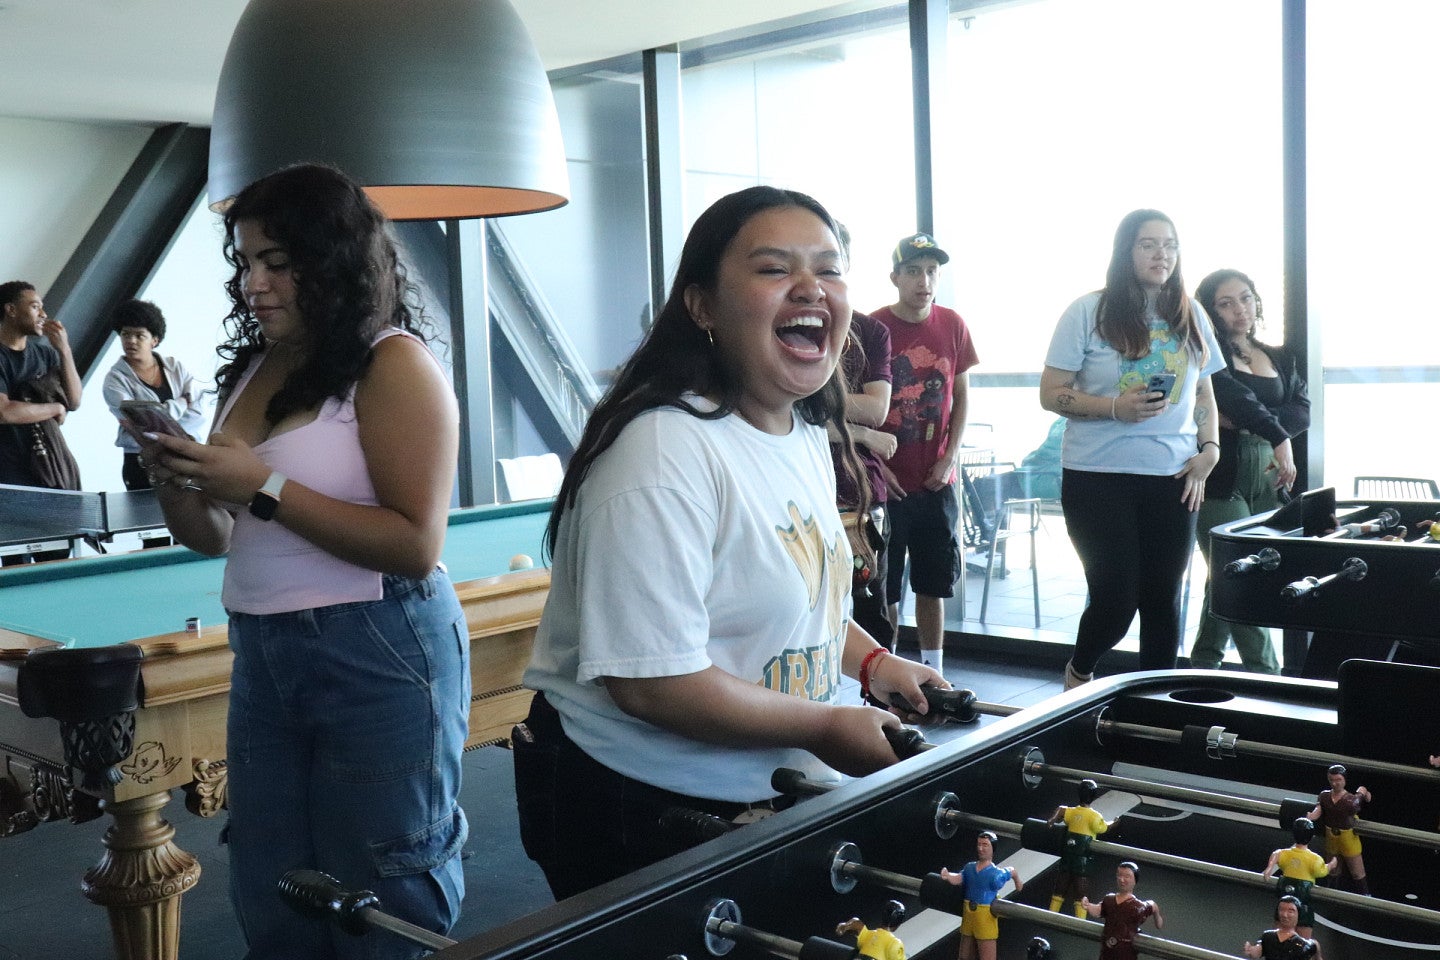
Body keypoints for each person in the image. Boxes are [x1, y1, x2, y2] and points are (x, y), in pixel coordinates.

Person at [513, 186, 947, 901]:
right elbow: (654, 682)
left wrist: (873, 663)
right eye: (774, 268)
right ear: (703, 306)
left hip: (773, 784)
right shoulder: (661, 453)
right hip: (644, 806)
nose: (811, 286)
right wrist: (827, 725)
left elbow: (797, 597)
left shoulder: (800, 430)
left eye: (829, 269)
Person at [136, 163, 469, 959]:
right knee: (273, 880)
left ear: (332, 260)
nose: (254, 282)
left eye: (277, 262)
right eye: (246, 261)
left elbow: (416, 545)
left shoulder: (394, 363)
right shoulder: (255, 366)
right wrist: (176, 481)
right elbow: (217, 534)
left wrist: (263, 484)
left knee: (384, 889)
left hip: (375, 644)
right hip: (263, 649)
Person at [1039, 209, 1224, 689]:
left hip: (1176, 475)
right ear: (1126, 251)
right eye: (1148, 244)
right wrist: (1113, 408)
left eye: (1169, 244)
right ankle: (1079, 673)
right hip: (1097, 476)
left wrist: (1210, 449)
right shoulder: (1088, 311)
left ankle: (1155, 705)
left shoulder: (1190, 312)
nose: (1161, 254)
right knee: (1116, 598)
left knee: (1164, 600)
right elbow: (1051, 392)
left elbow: (1203, 392)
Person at [1189, 269, 1309, 673]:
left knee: (1225, 580)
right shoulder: (1207, 355)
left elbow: (1301, 408)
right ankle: (1272, 680)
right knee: (1244, 580)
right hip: (1221, 478)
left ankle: (1202, 666)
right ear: (1210, 311)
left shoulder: (1279, 355)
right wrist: (1271, 430)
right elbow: (1232, 397)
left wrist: (1262, 426)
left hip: (1271, 478)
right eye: (1226, 303)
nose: (1239, 309)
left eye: (1245, 297)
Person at [872, 232, 979, 673]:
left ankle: (933, 673)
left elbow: (962, 396)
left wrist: (950, 456)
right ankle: (890, 674)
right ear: (895, 277)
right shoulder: (873, 328)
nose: (924, 280)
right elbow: (854, 406)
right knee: (887, 588)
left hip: (937, 482)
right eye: (914, 270)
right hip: (886, 486)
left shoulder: (952, 324)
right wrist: (876, 468)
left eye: (932, 271)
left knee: (933, 584)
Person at [830, 226, 897, 650]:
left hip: (862, 493)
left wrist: (825, 413)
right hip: (803, 492)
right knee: (814, 608)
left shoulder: (870, 332)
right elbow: (783, 412)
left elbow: (877, 409)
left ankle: (885, 708)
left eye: (827, 263)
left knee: (873, 608)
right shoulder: (777, 331)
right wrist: (859, 434)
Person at [0, 280, 83, 564]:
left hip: (49, 472)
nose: (43, 314)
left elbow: (74, 400)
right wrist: (53, 407)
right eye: (34, 306)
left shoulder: (45, 354)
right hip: (9, 476)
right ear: (11, 310)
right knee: (16, 560)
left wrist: (64, 350)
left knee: (57, 556)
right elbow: (4, 412)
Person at [102, 298, 206, 491]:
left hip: (186, 457)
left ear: (154, 340)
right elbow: (142, 422)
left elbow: (197, 412)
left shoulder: (175, 367)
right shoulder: (114, 381)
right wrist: (182, 402)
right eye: (125, 334)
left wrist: (166, 421)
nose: (131, 341)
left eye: (139, 335)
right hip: (141, 461)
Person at [939, 830, 1022, 960]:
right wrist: (948, 876)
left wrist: (1017, 881)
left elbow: (1011, 871)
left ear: (992, 848)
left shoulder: (996, 874)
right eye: (979, 844)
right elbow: (960, 878)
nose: (980, 848)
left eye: (985, 845)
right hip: (968, 914)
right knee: (964, 956)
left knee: (987, 955)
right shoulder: (969, 868)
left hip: (984, 916)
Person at [1046, 778, 1113, 915]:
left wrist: (1052, 819)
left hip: (1068, 855)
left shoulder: (1072, 812)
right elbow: (1104, 827)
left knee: (1060, 887)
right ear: (1094, 796)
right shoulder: (1094, 817)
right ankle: (1080, 920)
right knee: (1081, 891)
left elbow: (1062, 809)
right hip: (1082, 860)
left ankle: (1051, 914)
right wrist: (1116, 822)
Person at [1261, 818, 1335, 942]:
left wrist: (1269, 868)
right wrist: (1332, 864)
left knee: (1279, 938)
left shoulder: (1285, 854)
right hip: (1302, 906)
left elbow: (1276, 854)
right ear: (1311, 836)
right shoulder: (1314, 859)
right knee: (1303, 943)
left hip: (1285, 904)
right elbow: (1322, 871)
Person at [1306, 764, 1371, 895]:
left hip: (1347, 836)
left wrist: (1363, 792)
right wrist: (1313, 815)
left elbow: (1361, 796)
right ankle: (1331, 893)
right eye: (1332, 780)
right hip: (1331, 835)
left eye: (1338, 780)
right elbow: (1319, 808)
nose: (1335, 783)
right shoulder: (1324, 796)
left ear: (1344, 780)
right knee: (1332, 868)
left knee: (1356, 870)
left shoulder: (1351, 800)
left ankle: (1365, 895)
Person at [1081, 861, 1162, 960]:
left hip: (1126, 953)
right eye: (1119, 875)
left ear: (1135, 880)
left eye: (1127, 876)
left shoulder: (1138, 906)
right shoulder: (1109, 899)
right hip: (1107, 953)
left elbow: (1153, 905)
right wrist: (1088, 906)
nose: (1122, 880)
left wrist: (1157, 917)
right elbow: (1098, 910)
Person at [1243, 896, 1319, 959]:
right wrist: (1252, 951)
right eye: (1282, 910)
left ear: (1298, 914)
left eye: (1290, 911)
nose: (1285, 915)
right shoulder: (1268, 936)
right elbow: (1258, 949)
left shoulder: (1304, 944)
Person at [835, 900, 907, 960]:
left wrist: (844, 926)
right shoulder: (894, 944)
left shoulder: (866, 935)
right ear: (899, 923)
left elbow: (856, 923)